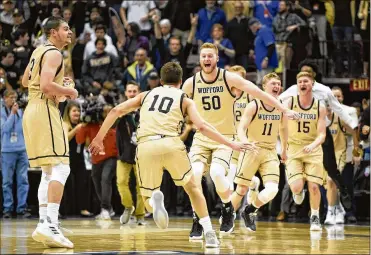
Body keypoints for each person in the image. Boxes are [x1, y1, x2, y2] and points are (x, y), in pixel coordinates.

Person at [89, 62, 249, 248]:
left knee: (148, 200)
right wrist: (231, 143)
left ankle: (155, 202)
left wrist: (99, 138)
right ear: (180, 81)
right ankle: (209, 233)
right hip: (171, 143)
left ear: (160, 80)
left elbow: (116, 111)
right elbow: (203, 127)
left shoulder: (146, 95)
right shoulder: (185, 99)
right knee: (193, 188)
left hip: (146, 144)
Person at [181, 42, 299, 239]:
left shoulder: (229, 79)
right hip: (202, 138)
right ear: (200, 60)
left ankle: (228, 207)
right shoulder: (190, 83)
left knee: (219, 175)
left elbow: (260, 93)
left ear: (217, 59)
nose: (207, 59)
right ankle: (198, 218)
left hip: (226, 138)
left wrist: (284, 109)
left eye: (211, 56)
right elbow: (178, 107)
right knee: (195, 174)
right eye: (204, 56)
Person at [22, 17, 78, 249]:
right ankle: (51, 224)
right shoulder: (54, 53)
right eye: (65, 29)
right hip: (45, 109)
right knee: (61, 167)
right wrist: (68, 90)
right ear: (53, 32)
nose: (70, 33)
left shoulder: (38, 51)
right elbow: (45, 86)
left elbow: (26, 81)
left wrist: (58, 86)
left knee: (48, 171)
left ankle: (44, 223)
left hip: (32, 109)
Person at [279, 60, 360, 210]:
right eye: (302, 72)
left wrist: (354, 125)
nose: (305, 75)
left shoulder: (324, 90)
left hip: (320, 132)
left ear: (314, 75)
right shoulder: (292, 90)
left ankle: (343, 191)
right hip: (300, 134)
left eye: (308, 72)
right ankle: (299, 190)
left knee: (330, 166)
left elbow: (338, 109)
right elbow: (276, 102)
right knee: (298, 166)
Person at [231, 72, 288, 232]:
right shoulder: (254, 105)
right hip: (252, 149)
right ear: (264, 87)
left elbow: (283, 129)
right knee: (241, 189)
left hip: (270, 151)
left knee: (272, 190)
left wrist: (284, 149)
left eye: (278, 84)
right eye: (273, 84)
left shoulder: (281, 106)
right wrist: (245, 141)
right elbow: (241, 128)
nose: (277, 86)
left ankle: (249, 210)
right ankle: (227, 217)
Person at [284, 71, 326, 231]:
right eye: (300, 81)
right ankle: (298, 192)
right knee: (296, 187)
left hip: (312, 149)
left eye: (306, 81)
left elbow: (322, 134)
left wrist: (314, 145)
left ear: (312, 84)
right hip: (294, 148)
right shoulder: (289, 103)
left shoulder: (319, 107)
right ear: (297, 85)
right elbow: (280, 122)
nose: (302, 84)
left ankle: (314, 216)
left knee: (314, 186)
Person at [116, 82, 145, 225]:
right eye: (130, 91)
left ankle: (140, 215)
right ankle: (128, 206)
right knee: (121, 182)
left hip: (141, 153)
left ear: (139, 92)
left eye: (135, 91)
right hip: (124, 153)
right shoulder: (120, 110)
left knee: (141, 186)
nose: (132, 93)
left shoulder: (146, 109)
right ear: (126, 93)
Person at [1, 89, 30, 219]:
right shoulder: (2, 112)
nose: (13, 100)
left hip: (22, 150)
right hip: (7, 150)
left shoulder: (21, 110)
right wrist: (12, 114)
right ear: (4, 98)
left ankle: (21, 208)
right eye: (10, 97)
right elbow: (5, 129)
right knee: (7, 181)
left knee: (23, 180)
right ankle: (8, 208)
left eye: (15, 97)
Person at [62, 101, 92, 217]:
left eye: (78, 111)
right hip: (67, 160)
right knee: (67, 186)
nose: (77, 113)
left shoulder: (82, 124)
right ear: (68, 112)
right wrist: (77, 129)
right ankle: (66, 210)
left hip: (79, 159)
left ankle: (83, 208)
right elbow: (65, 139)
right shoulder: (65, 123)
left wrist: (87, 132)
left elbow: (86, 145)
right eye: (74, 111)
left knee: (83, 184)